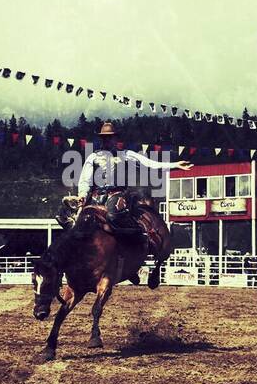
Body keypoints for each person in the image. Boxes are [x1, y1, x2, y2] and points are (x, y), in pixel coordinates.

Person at [64, 121, 192, 288]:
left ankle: (135, 252)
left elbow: (150, 164)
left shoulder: (126, 155)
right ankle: (68, 263)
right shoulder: (93, 157)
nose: (107, 141)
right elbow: (85, 181)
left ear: (116, 139)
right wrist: (82, 196)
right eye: (105, 138)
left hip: (118, 195)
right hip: (96, 196)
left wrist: (174, 165)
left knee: (114, 215)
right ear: (101, 139)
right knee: (75, 222)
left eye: (110, 138)